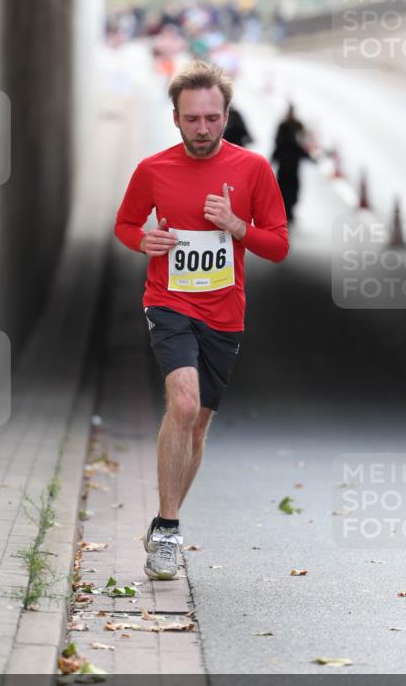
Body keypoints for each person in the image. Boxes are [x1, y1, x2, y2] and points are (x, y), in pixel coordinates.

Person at [115, 60, 289, 580]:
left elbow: (278, 245)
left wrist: (237, 226)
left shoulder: (253, 169)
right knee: (183, 402)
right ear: (175, 118)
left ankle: (166, 520)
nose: (203, 128)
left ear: (226, 115)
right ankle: (167, 530)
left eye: (213, 118)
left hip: (225, 312)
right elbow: (125, 225)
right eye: (192, 119)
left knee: (197, 425)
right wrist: (143, 240)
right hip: (168, 301)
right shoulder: (153, 170)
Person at [271, 104, 313, 224]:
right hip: (288, 163)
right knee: (286, 188)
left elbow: (299, 144)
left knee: (290, 188)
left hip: (289, 164)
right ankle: (286, 210)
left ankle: (287, 210)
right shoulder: (286, 126)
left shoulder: (293, 125)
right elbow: (279, 143)